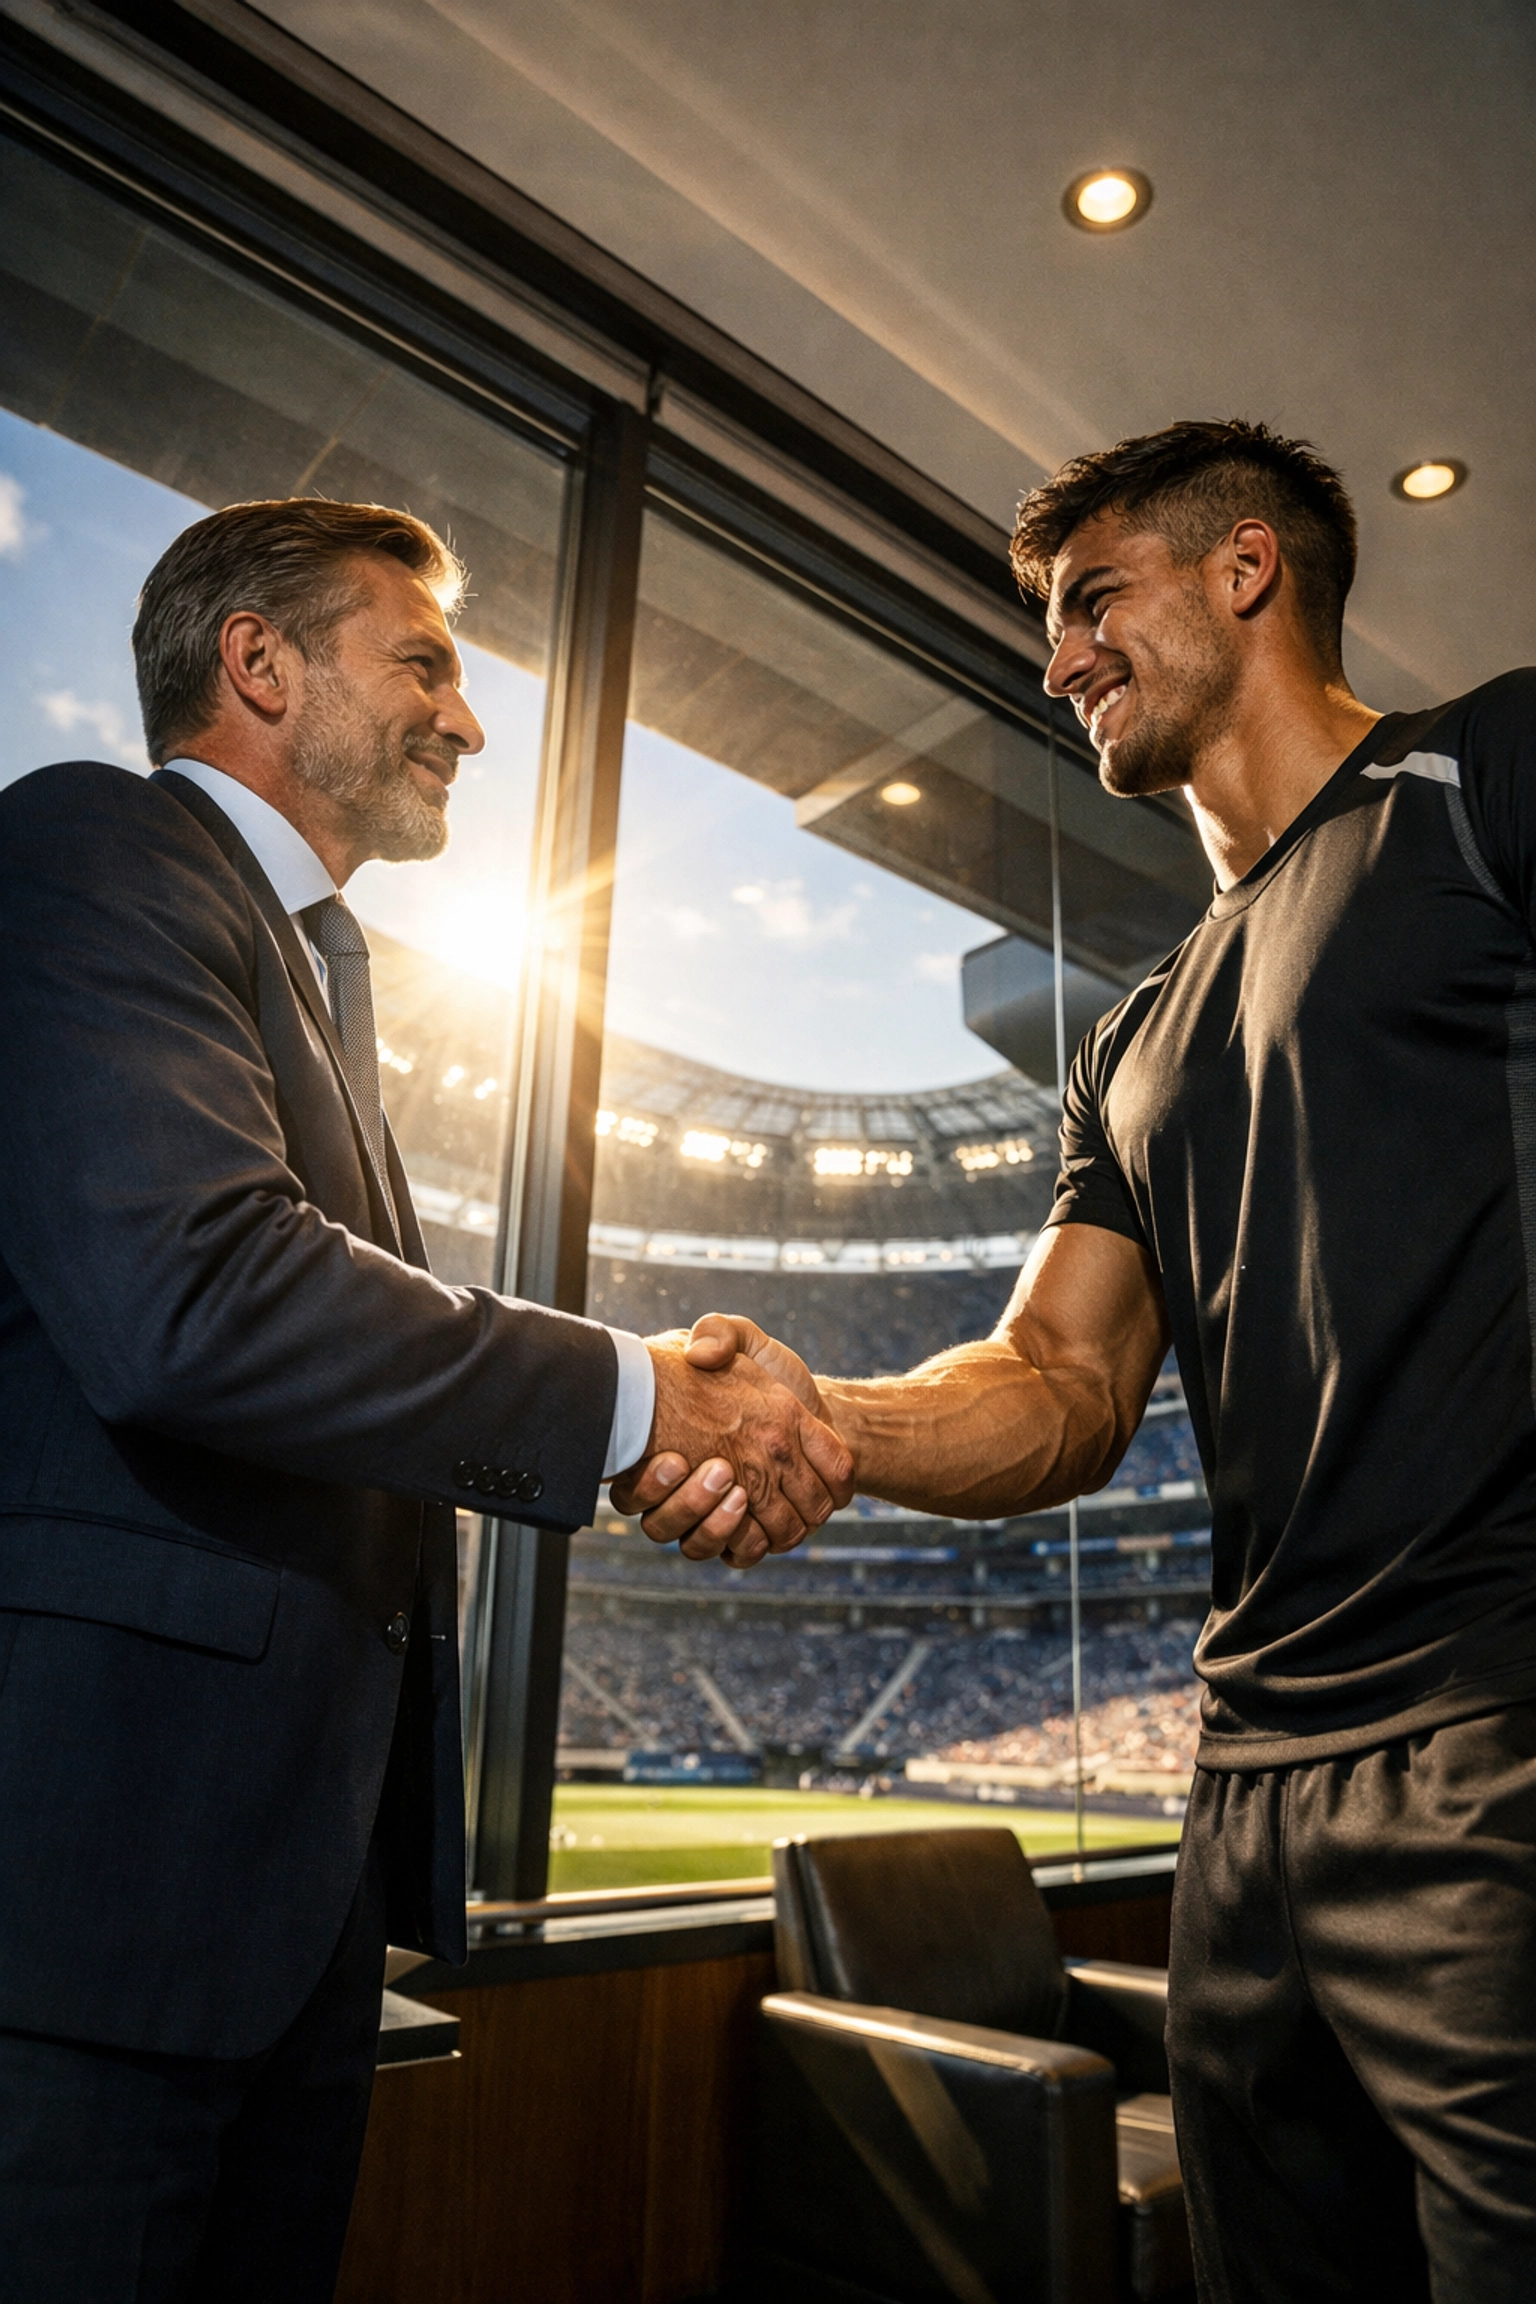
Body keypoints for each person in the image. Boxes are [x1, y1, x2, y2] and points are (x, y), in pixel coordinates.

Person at [626, 418, 1536, 2301]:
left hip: (1497, 1733)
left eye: (1093, 600)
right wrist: (826, 1418)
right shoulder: (1128, 1039)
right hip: (1255, 1801)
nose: (1060, 660)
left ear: (1247, 572)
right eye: (1054, 624)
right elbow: (1057, 1383)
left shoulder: (1486, 778)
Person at [0, 495, 851, 2302]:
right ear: (258, 662)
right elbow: (196, 1297)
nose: (466, 722)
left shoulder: (313, 973)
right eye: (424, 663)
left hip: (270, 1936)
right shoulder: (90, 847)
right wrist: (642, 1404)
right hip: (79, 1935)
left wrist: (647, 1419)